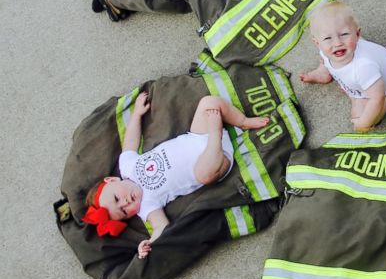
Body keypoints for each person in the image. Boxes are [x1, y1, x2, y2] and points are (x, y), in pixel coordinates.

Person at [82, 91, 270, 258]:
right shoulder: (146, 207)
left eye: (117, 198)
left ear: (112, 180)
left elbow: (130, 140)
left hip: (197, 137)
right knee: (205, 175)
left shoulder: (127, 166)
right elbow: (160, 227)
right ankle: (217, 133)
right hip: (214, 162)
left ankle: (242, 122)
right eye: (123, 212)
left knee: (208, 102)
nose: (125, 203)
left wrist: (137, 114)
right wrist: (150, 242)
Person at [299, 1, 386, 133]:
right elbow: (325, 55)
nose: (337, 43)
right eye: (327, 38)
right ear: (317, 42)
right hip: (361, 78)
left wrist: (364, 123)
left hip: (385, 91)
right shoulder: (328, 50)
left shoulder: (363, 67)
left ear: (358, 34)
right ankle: (323, 73)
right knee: (326, 58)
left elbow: (377, 98)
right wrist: (323, 67)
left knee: (358, 116)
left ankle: (355, 97)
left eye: (344, 34)